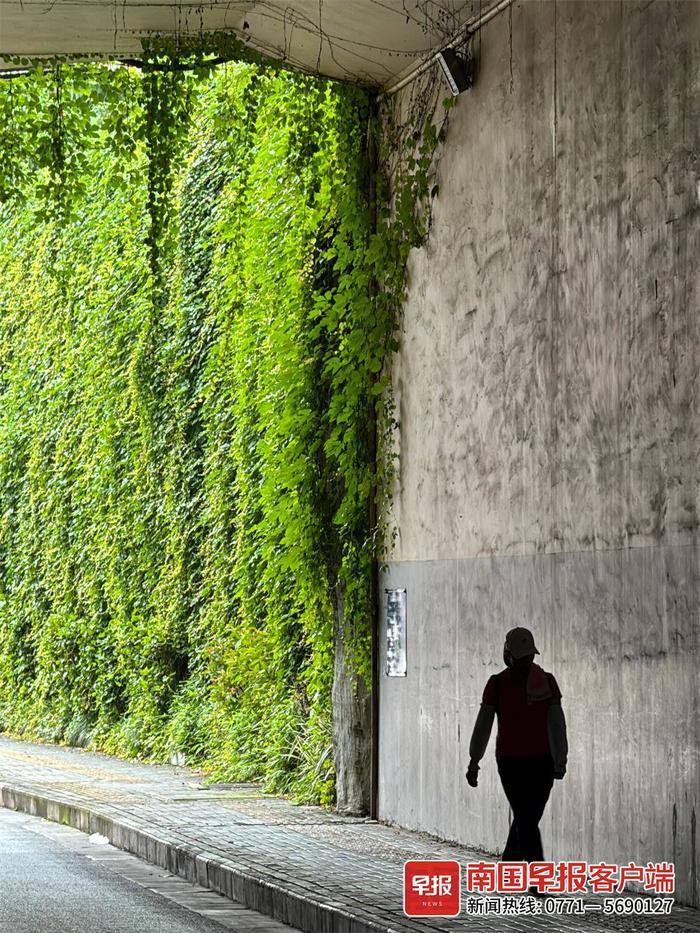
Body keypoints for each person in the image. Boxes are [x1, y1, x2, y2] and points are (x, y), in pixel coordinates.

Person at [465, 627, 567, 864]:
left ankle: (510, 863)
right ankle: (536, 878)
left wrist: (474, 761)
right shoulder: (546, 683)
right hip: (541, 762)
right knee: (527, 818)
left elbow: (483, 728)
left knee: (525, 818)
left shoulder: (497, 684)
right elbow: (557, 725)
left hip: (512, 763)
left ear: (508, 654)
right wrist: (560, 759)